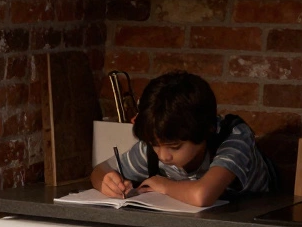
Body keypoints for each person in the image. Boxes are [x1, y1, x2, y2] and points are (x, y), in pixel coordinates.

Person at [90, 71, 274, 206]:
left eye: (175, 147)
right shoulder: (158, 142)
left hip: (254, 223)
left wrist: (163, 184)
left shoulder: (234, 138)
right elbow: (100, 171)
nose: (163, 156)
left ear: (205, 131)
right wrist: (107, 181)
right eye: (154, 145)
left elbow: (203, 195)